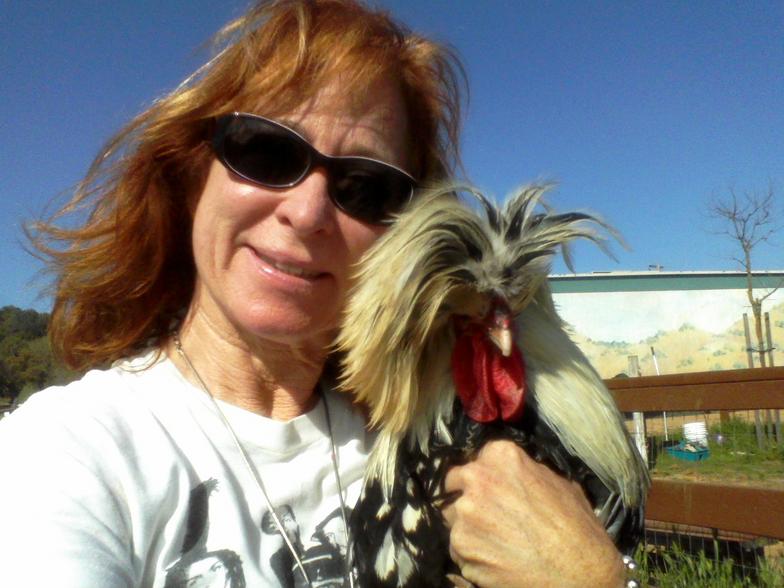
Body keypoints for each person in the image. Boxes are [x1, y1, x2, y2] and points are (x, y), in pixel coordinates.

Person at [0, 1, 626, 586]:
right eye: (266, 152)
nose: (307, 213)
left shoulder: (434, 444)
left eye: (366, 186)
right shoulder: (68, 456)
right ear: (194, 176)